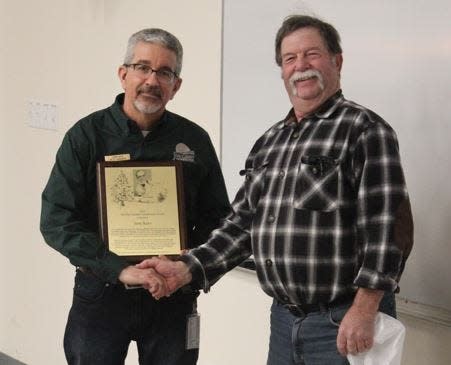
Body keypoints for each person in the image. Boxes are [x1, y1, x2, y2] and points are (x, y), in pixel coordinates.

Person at [137, 15, 414, 365]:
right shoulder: (269, 142)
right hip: (284, 321)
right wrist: (186, 267)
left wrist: (365, 308)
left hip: (342, 322)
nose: (301, 66)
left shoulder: (365, 130)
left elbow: (387, 228)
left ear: (336, 60)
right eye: (290, 59)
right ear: (281, 70)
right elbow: (241, 228)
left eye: (311, 54)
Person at [40, 28, 230, 365]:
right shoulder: (86, 136)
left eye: (164, 72)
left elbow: (220, 221)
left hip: (171, 296)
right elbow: (57, 219)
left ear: (177, 85)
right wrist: (119, 269)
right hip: (101, 294)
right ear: (123, 74)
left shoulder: (194, 141)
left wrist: (186, 264)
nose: (152, 80)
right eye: (143, 67)